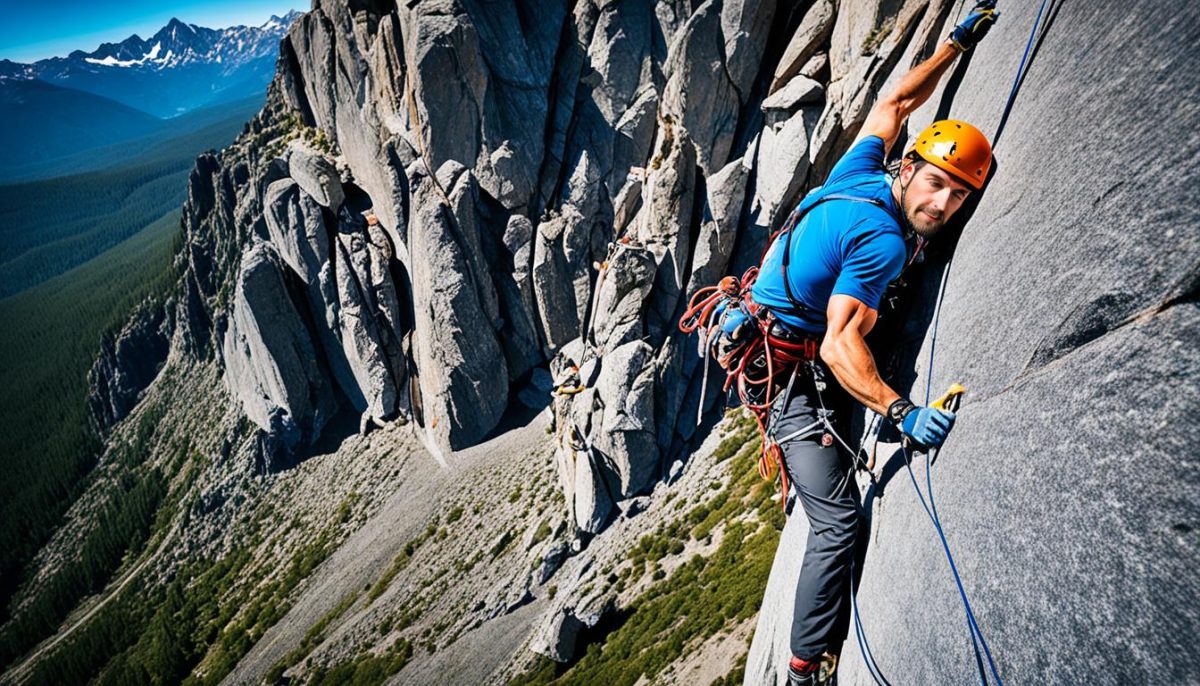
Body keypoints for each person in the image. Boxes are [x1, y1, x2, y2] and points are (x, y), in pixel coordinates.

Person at [747, 3, 1000, 684]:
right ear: (910, 168)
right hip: (788, 372)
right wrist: (901, 411)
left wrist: (953, 45)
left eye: (959, 196)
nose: (943, 206)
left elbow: (894, 98)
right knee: (835, 524)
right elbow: (837, 347)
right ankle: (802, 668)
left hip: (778, 322)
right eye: (937, 184)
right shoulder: (882, 239)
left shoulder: (865, 168)